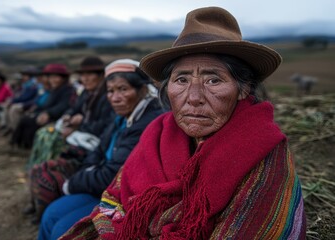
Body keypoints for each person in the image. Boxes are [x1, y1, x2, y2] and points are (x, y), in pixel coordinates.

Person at [61, 7, 306, 239]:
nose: (194, 97)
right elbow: (115, 200)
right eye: (181, 80)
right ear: (167, 89)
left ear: (243, 90)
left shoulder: (264, 155)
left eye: (213, 80)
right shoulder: (157, 134)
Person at [31, 59, 164, 239]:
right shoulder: (121, 117)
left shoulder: (147, 121)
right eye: (110, 91)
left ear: (141, 89)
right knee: (51, 214)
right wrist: (88, 170)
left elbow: (114, 173)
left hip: (123, 195)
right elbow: (99, 150)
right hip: (100, 184)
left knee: (61, 229)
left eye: (123, 89)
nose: (115, 98)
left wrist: (73, 183)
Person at [26, 56, 115, 168]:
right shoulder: (86, 93)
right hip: (80, 129)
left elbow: (103, 125)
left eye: (89, 75)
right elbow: (74, 108)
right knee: (44, 133)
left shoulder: (107, 96)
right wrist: (68, 115)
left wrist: (78, 126)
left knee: (53, 139)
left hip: (93, 137)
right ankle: (42, 166)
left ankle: (55, 170)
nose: (85, 79)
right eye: (82, 75)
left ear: (101, 76)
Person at [11, 64, 75, 149]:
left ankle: (30, 146)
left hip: (58, 118)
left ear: (63, 78)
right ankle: (20, 143)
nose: (52, 80)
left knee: (31, 122)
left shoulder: (68, 90)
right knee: (26, 119)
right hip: (49, 114)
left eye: (56, 77)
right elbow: (46, 105)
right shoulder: (55, 89)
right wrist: (36, 111)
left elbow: (63, 106)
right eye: (51, 77)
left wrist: (48, 113)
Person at [1, 67, 39, 136]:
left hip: (28, 104)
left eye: (25, 75)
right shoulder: (26, 85)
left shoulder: (32, 85)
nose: (23, 77)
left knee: (13, 108)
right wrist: (12, 100)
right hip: (25, 103)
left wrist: (13, 101)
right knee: (8, 106)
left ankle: (16, 131)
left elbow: (25, 97)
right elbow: (20, 96)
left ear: (30, 76)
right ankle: (9, 126)